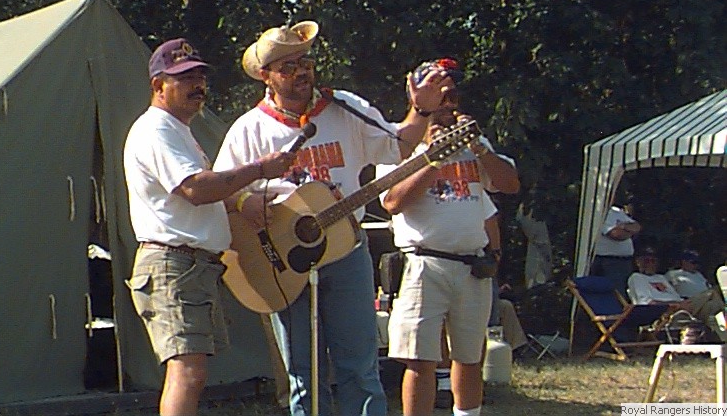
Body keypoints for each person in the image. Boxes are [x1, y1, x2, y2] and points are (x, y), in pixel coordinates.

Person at [213, 22, 447, 416]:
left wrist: (421, 110)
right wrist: (243, 202)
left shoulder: (345, 108)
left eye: (305, 63)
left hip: (345, 252)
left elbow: (397, 147)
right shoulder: (249, 129)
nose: (301, 72)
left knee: (360, 366)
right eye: (288, 67)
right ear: (266, 76)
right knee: (303, 373)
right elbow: (221, 188)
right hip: (283, 259)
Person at [123, 38, 296, 416]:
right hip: (173, 264)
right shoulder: (156, 129)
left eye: (200, 77)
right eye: (185, 78)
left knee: (193, 371)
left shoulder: (178, 131)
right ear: (158, 85)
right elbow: (196, 190)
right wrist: (260, 169)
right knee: (187, 372)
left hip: (191, 265)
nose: (197, 86)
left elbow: (205, 193)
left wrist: (243, 202)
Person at [377, 58, 520, 416]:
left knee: (470, 357)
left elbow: (509, 184)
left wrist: (480, 147)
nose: (448, 103)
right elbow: (392, 201)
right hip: (424, 262)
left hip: (471, 264)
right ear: (418, 96)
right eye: (440, 94)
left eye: (453, 95)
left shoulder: (474, 142)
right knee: (420, 359)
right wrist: (434, 159)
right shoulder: (400, 144)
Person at [628, 245, 724, 329]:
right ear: (638, 262)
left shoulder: (660, 277)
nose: (650, 264)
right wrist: (675, 305)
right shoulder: (636, 277)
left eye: (653, 261)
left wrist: (680, 303)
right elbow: (646, 304)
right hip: (667, 312)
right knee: (712, 293)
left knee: (714, 306)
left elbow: (676, 296)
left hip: (682, 307)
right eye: (646, 261)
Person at [590, 204, 641, 296]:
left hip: (625, 262)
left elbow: (637, 226)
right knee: (615, 294)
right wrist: (630, 231)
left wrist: (623, 226)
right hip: (609, 262)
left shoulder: (616, 211)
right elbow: (617, 235)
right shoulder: (600, 214)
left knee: (625, 294)